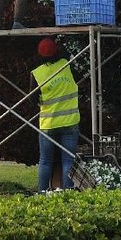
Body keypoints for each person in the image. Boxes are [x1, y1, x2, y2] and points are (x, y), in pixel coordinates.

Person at [31, 37, 80, 191]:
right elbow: (65, 51)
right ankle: (67, 193)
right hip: (70, 122)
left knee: (45, 161)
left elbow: (33, 99)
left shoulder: (37, 74)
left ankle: (42, 192)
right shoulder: (66, 66)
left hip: (48, 124)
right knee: (68, 160)